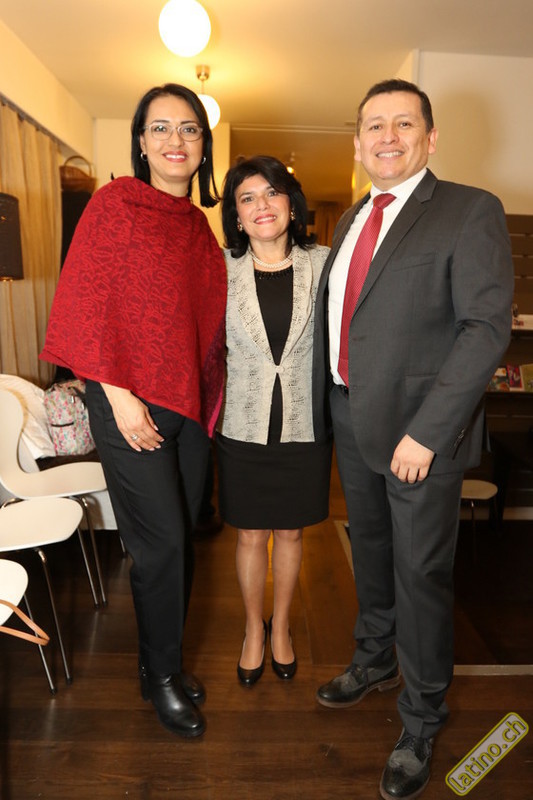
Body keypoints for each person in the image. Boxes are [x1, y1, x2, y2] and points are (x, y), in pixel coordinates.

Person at [312, 79, 514, 799]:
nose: (387, 136)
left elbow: (484, 329)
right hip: (349, 416)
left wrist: (426, 434)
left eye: (404, 123)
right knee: (369, 552)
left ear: (430, 138)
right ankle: (374, 658)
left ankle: (422, 718)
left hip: (419, 436)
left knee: (420, 575)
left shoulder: (468, 209)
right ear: (357, 142)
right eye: (374, 125)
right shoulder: (352, 218)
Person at [40, 83, 227, 739]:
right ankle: (163, 680)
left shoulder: (198, 227)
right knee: (160, 545)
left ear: (203, 146)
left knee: (185, 539)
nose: (176, 140)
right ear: (141, 142)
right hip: (127, 404)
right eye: (161, 128)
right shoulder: (113, 204)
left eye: (189, 129)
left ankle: (159, 665)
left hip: (185, 406)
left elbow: (200, 322)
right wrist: (118, 397)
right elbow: (84, 302)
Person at [217, 156, 332, 686]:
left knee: (289, 533)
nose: (261, 205)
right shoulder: (220, 269)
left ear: (291, 204)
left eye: (272, 193)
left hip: (305, 423)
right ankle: (252, 630)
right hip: (241, 425)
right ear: (237, 217)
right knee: (249, 535)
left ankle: (280, 626)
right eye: (247, 198)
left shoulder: (325, 264)